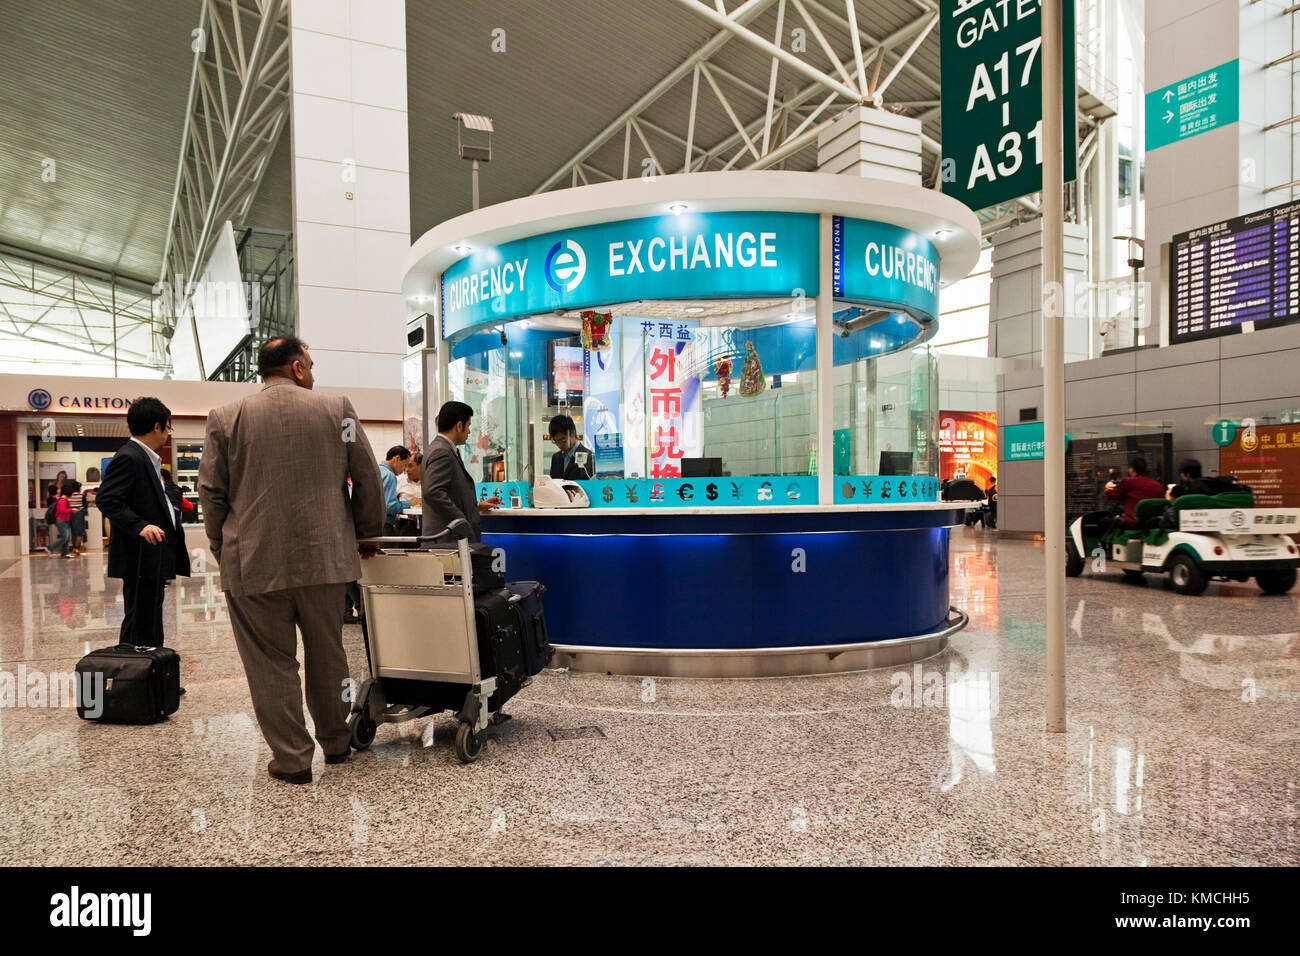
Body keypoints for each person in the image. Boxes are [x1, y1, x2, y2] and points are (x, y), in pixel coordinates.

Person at [199, 336, 384, 785]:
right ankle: (337, 742)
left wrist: (225, 549)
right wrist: (366, 533)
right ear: (298, 367)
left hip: (253, 563)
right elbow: (367, 478)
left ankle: (293, 757)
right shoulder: (336, 409)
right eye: (312, 365)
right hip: (325, 559)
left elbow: (211, 492)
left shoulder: (226, 418)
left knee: (269, 662)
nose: (315, 374)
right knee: (329, 653)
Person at [96, 397, 191, 648]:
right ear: (157, 427)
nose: (168, 435)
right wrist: (140, 526)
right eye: (168, 428)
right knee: (139, 620)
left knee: (149, 619)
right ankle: (134, 679)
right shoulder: (130, 456)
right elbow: (107, 499)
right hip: (139, 557)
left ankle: (153, 678)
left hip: (152, 557)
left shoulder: (144, 457)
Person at [422, 401, 499, 543]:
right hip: (448, 540)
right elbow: (433, 492)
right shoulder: (442, 452)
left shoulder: (440, 448)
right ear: (459, 426)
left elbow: (450, 491)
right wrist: (461, 520)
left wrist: (474, 506)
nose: (469, 431)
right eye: (468, 426)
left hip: (448, 540)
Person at [1102, 456, 1165, 527]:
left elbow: (1111, 495)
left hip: (1131, 523)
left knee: (1104, 522)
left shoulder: (1128, 482)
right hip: (1151, 524)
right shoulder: (1157, 485)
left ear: (1131, 469)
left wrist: (1107, 487)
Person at [548, 414, 595, 480]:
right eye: (556, 441)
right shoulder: (556, 458)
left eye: (563, 440)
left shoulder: (590, 457)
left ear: (572, 433)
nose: (559, 445)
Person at [380, 445, 410, 534]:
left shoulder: (378, 470)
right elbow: (390, 506)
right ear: (397, 459)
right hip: (385, 525)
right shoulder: (389, 476)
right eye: (405, 465)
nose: (405, 470)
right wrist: (409, 503)